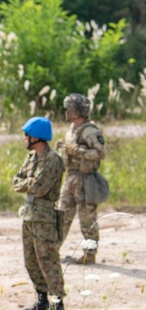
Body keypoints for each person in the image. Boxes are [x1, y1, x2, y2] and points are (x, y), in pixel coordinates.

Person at [13, 116, 66, 310]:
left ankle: (57, 302)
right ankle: (42, 299)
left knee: (48, 259)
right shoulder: (32, 159)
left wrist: (28, 183)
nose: (24, 139)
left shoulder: (53, 160)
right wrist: (29, 182)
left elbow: (39, 188)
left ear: (36, 137)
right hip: (29, 215)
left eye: (26, 135)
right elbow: (16, 181)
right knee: (31, 260)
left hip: (44, 216)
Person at [56, 93, 107, 265]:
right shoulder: (72, 129)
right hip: (71, 177)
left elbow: (101, 153)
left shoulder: (90, 131)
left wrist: (76, 151)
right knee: (62, 214)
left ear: (77, 110)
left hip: (85, 180)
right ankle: (52, 250)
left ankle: (89, 254)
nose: (66, 111)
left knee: (87, 218)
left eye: (68, 108)